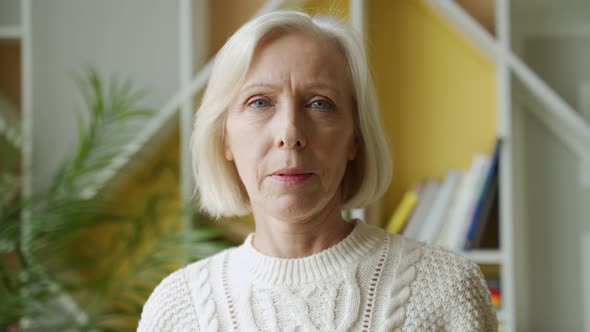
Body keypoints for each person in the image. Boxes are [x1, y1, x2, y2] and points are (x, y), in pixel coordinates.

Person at [138, 10, 497, 332]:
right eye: (259, 102)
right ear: (224, 139)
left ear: (355, 137)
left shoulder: (445, 290)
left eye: (319, 103)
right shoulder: (179, 309)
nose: (290, 133)